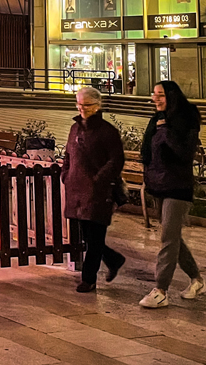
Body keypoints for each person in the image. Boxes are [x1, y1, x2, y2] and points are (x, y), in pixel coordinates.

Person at [139, 80, 205, 308]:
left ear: (172, 96)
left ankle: (161, 290)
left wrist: (166, 130)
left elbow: (184, 154)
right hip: (158, 185)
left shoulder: (185, 120)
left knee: (168, 237)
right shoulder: (156, 119)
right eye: (154, 94)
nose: (155, 98)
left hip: (178, 187)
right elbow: (147, 152)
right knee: (173, 237)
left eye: (161, 94)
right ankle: (197, 280)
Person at [62, 87, 127, 292]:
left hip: (98, 192)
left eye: (86, 105)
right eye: (79, 104)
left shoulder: (107, 131)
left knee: (95, 236)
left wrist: (98, 180)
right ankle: (113, 259)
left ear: (97, 106)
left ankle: (88, 279)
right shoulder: (75, 128)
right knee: (86, 236)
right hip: (76, 189)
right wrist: (66, 173)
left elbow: (116, 160)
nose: (82, 108)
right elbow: (68, 154)